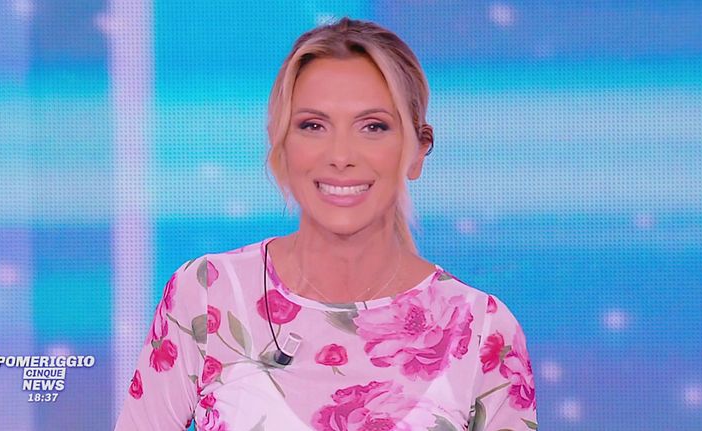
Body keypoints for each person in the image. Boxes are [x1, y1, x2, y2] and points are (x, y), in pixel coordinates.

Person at [115, 17, 537, 430]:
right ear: (281, 143)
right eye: (313, 126)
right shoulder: (208, 293)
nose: (340, 155)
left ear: (417, 151)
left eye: (373, 126)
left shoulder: (482, 329)